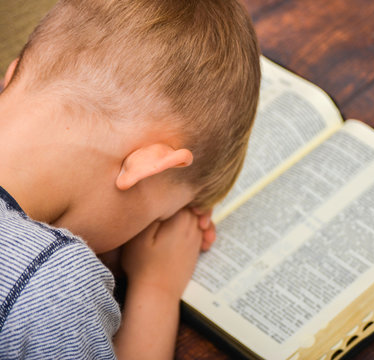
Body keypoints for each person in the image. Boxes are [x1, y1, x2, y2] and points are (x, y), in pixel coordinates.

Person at [0, 0, 260, 359]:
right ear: (147, 167)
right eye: (156, 218)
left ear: (12, 77)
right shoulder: (52, 288)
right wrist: (156, 290)